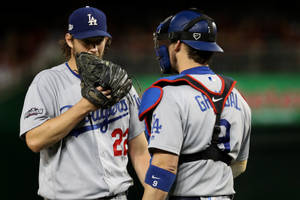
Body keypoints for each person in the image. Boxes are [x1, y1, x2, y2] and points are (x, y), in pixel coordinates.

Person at [19, 6, 150, 200]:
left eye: (98, 42)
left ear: (108, 40)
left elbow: (140, 151)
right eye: (86, 42)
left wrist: (153, 193)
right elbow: (35, 140)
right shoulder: (47, 82)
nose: (93, 49)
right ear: (69, 40)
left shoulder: (121, 83)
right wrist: (85, 105)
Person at [138, 9, 251, 200]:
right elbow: (240, 166)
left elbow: (164, 167)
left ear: (178, 45)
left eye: (170, 41)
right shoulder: (238, 97)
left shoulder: (170, 95)